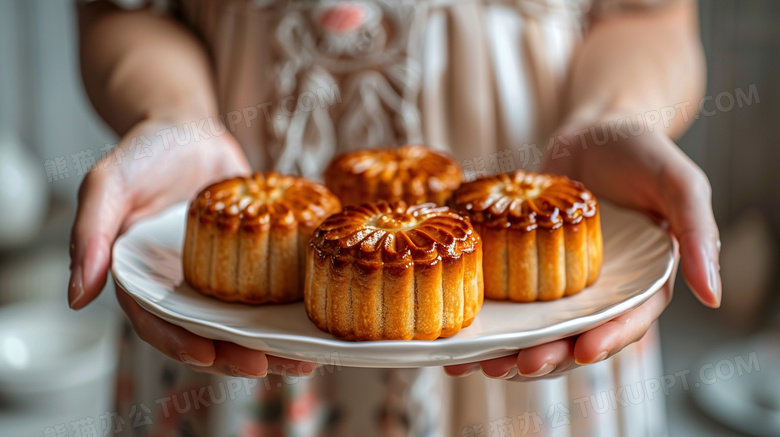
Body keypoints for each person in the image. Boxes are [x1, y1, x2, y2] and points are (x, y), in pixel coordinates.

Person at [69, 0, 720, 435]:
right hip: (238, 319)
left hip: (547, 325)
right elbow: (121, 12)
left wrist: (615, 117)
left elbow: (649, 15)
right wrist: (173, 114)